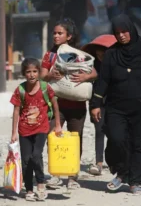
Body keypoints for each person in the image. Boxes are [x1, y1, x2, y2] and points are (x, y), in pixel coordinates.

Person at [90, 14, 141, 195]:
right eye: (117, 33)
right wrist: (95, 104)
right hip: (116, 107)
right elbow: (102, 81)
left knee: (138, 143)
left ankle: (135, 181)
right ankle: (121, 173)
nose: (122, 35)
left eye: (124, 31)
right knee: (116, 139)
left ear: (131, 30)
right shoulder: (111, 54)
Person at [40, 18, 97, 189]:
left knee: (75, 139)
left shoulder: (79, 55)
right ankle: (55, 174)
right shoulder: (50, 55)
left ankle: (73, 176)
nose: (56, 36)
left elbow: (94, 72)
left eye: (60, 33)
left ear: (69, 36)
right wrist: (51, 76)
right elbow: (42, 75)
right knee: (51, 136)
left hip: (77, 106)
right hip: (56, 105)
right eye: (54, 33)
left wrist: (85, 77)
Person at [10, 58, 62, 201]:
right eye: (28, 72)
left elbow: (55, 105)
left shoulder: (45, 88)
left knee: (36, 155)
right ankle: (28, 189)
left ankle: (40, 183)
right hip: (24, 130)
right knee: (26, 160)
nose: (32, 75)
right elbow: (15, 111)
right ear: (23, 73)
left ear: (39, 72)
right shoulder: (20, 90)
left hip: (41, 128)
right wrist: (13, 133)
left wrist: (57, 124)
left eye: (34, 71)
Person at [81, 34, 117, 175]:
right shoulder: (91, 65)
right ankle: (99, 162)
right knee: (99, 130)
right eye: (98, 50)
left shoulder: (117, 65)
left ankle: (113, 162)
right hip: (97, 102)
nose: (101, 53)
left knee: (114, 132)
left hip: (114, 102)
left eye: (104, 50)